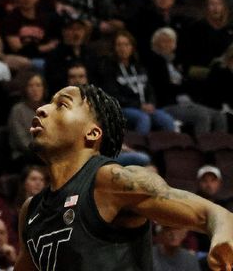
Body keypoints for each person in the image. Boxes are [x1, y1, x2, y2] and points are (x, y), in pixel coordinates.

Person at [15, 83, 233, 271]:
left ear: (92, 133)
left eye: (62, 105)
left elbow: (215, 214)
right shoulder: (31, 210)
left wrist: (223, 236)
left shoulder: (111, 181)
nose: (42, 109)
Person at [9, 73, 47, 167]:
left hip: (46, 153)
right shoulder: (17, 110)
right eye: (31, 86)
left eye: (38, 85)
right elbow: (21, 141)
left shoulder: (48, 109)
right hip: (24, 155)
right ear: (25, 89)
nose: (35, 89)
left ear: (44, 89)